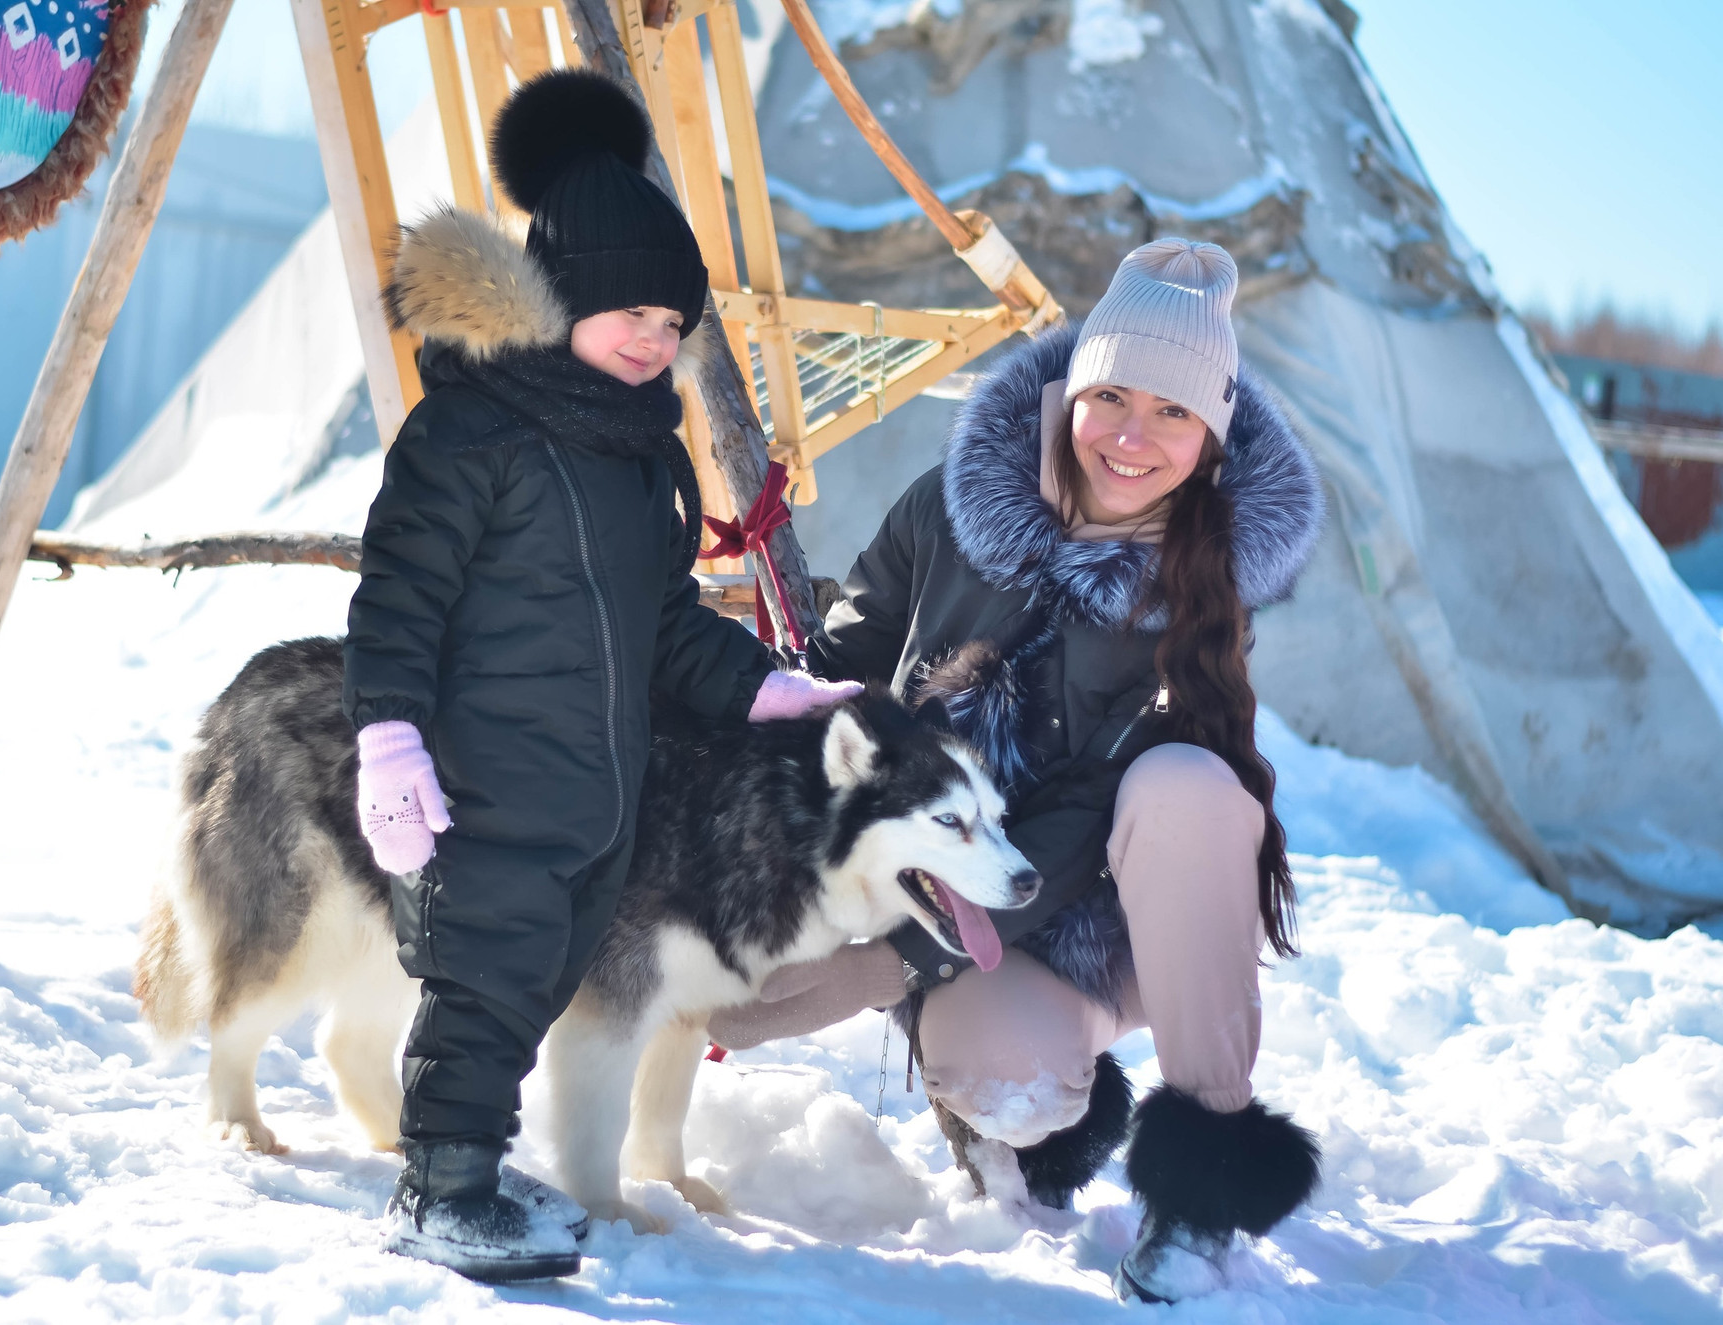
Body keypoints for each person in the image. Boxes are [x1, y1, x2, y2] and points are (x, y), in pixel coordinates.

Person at [708, 239, 1326, 1303]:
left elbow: (1088, 819)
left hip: (1115, 916)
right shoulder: (954, 502)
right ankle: (1062, 1119)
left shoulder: (1199, 584)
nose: (1132, 435)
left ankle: (1199, 1188)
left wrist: (892, 959)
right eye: (1112, 396)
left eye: (1172, 413)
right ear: (1070, 388)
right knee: (1011, 1079)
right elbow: (845, 669)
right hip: (956, 893)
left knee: (1181, 790)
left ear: (1212, 433)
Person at [344, 70, 857, 1283]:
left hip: (596, 795)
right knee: (484, 983)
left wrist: (759, 688)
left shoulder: (635, 454)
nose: (651, 336)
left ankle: (466, 1154)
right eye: (628, 309)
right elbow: (397, 596)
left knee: (535, 983)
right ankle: (441, 1183)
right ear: (561, 291)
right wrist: (388, 741)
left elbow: (665, 618)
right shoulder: (470, 431)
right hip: (487, 783)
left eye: (673, 323)